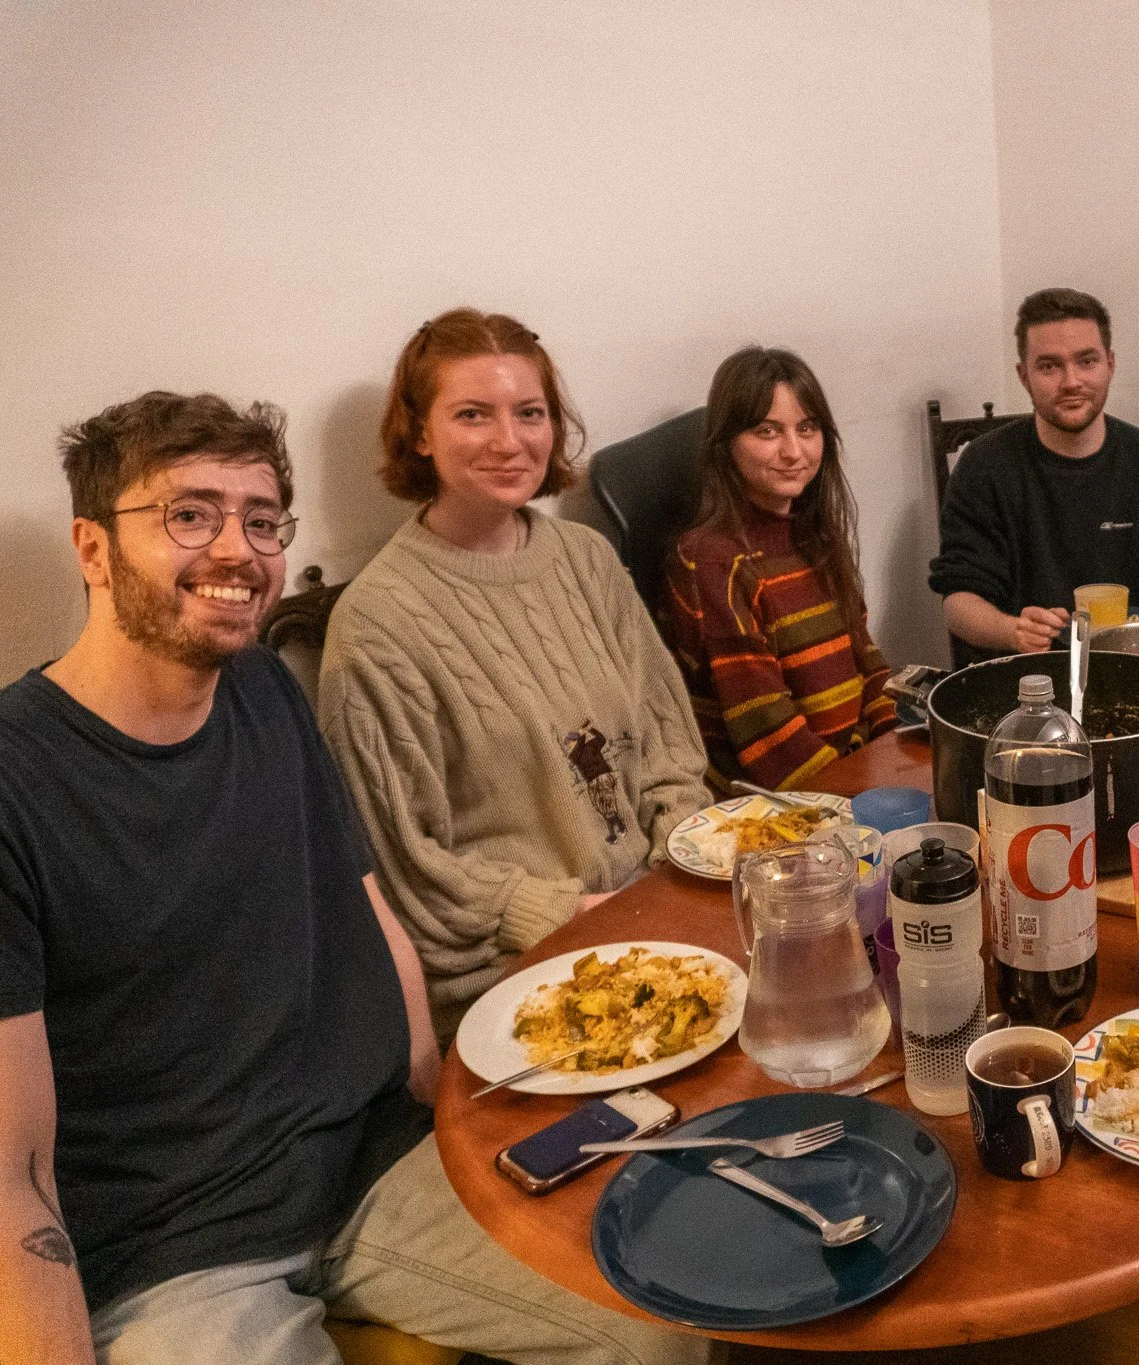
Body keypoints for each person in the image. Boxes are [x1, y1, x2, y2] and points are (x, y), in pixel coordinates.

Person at [0, 391, 703, 1364]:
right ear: (91, 549)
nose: (237, 552)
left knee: (667, 1326)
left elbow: (362, 891)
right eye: (189, 514)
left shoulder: (255, 688)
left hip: (368, 1166)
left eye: (260, 520)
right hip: (181, 1252)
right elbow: (13, 1178)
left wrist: (432, 1089)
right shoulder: (19, 783)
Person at [320, 310, 712, 1040]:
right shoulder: (376, 625)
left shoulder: (588, 558)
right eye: (473, 414)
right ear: (419, 432)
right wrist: (571, 915)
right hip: (516, 972)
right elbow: (409, 867)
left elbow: (669, 748)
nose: (510, 440)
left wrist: (670, 869)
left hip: (654, 911)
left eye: (530, 413)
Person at [929, 287, 1139, 664]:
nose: (1071, 381)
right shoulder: (984, 466)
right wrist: (1013, 630)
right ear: (1023, 375)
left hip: (1137, 667)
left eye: (1086, 361)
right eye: (1049, 366)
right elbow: (959, 599)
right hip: (1019, 675)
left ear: (1110, 364)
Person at [661, 346, 895, 792]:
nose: (793, 451)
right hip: (776, 803)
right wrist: (862, 791)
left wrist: (892, 747)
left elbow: (869, 663)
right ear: (727, 444)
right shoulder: (710, 561)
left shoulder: (814, 535)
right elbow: (765, 733)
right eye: (768, 431)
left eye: (806, 429)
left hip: (852, 774)